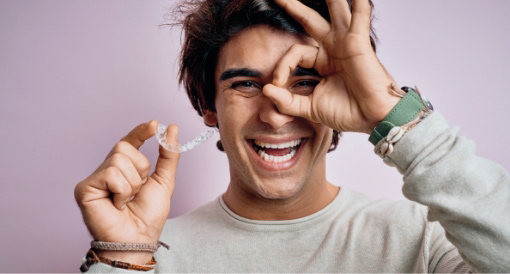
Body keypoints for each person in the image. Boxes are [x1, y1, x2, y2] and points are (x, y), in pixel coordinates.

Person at [74, 0, 510, 272]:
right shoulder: (152, 256)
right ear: (209, 105)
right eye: (244, 84)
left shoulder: (426, 241)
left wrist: (393, 114)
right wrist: (123, 260)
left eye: (304, 82)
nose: (277, 115)